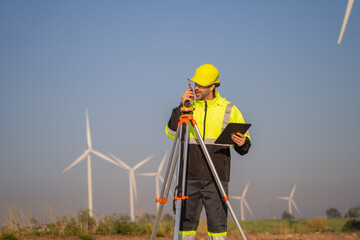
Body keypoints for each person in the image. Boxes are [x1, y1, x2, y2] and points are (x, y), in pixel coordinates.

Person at [165, 64, 251, 240]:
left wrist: (243, 143)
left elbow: (244, 145)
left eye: (202, 85)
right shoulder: (187, 107)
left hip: (217, 178)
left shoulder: (229, 109)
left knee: (218, 228)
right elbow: (172, 132)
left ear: (212, 86)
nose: (196, 88)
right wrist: (181, 106)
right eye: (195, 84)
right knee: (184, 228)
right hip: (188, 177)